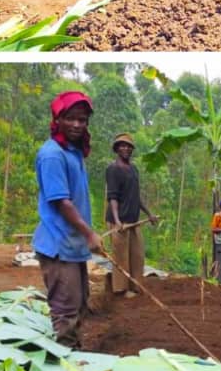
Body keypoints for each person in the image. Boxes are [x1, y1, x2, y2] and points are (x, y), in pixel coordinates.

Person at [32, 92, 102, 346]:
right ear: (57, 119)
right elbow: (62, 202)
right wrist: (89, 233)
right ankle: (65, 367)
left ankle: (74, 354)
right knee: (66, 311)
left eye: (82, 120)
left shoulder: (73, 152)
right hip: (58, 245)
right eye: (70, 118)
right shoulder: (52, 154)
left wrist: (85, 236)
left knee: (81, 303)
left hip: (72, 245)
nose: (77, 125)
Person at [105, 133, 158, 298]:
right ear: (116, 149)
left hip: (134, 221)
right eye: (122, 145)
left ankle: (135, 286)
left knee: (137, 255)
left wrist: (149, 214)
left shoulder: (134, 169)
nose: (125, 148)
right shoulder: (113, 169)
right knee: (121, 256)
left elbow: (136, 196)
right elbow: (112, 197)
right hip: (119, 222)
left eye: (128, 146)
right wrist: (117, 220)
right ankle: (120, 290)